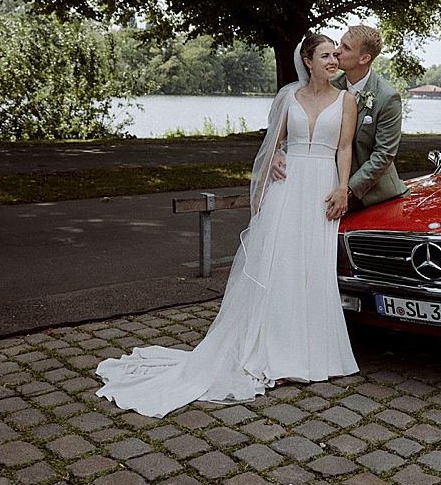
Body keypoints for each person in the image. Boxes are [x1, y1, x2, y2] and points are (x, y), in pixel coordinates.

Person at [94, 34, 360, 418]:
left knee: (312, 266)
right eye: (325, 55)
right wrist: (267, 178)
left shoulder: (346, 100)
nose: (334, 61)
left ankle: (313, 353)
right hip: (287, 189)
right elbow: (274, 144)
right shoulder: (289, 98)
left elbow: (344, 148)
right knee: (279, 264)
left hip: (322, 188)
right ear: (307, 59)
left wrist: (342, 187)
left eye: (336, 55)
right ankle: (275, 351)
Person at [272, 25, 408, 214]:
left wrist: (347, 189)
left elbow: (383, 155)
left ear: (364, 58)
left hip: (374, 196)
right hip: (327, 187)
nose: (337, 51)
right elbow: (297, 125)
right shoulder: (329, 86)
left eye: (345, 48)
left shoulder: (387, 97)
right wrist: (277, 152)